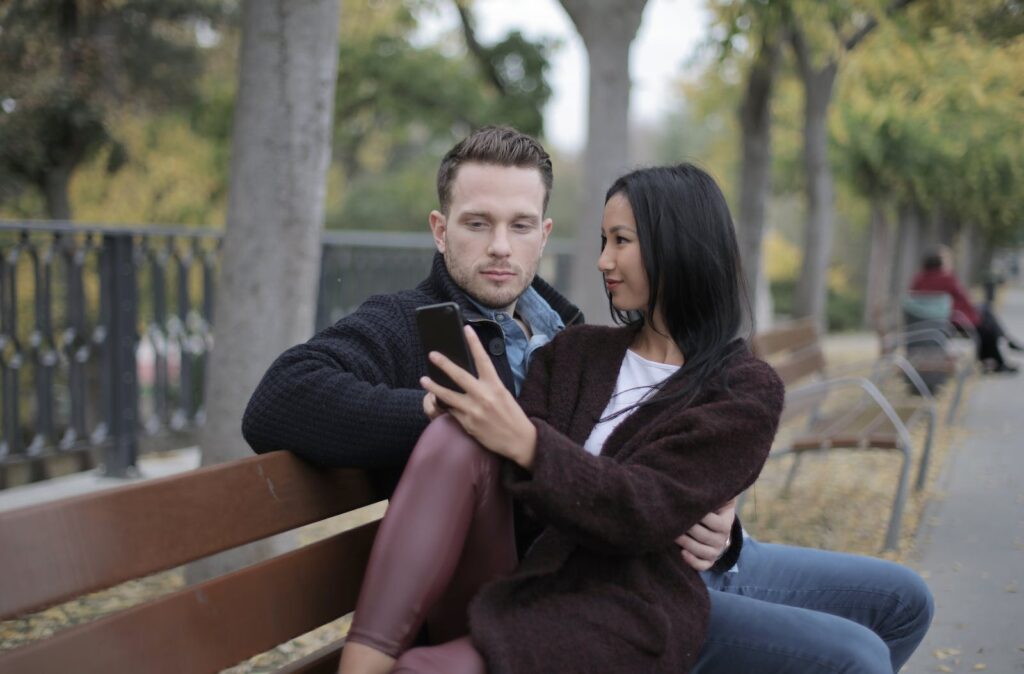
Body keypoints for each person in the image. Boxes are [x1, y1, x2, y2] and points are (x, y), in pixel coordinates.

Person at [243, 126, 933, 672]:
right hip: (560, 574)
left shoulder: (565, 326)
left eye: (520, 226)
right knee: (851, 656)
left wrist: (719, 523)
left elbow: (645, 449)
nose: (500, 248)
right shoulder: (409, 324)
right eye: (477, 223)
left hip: (660, 553)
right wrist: (447, 411)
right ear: (439, 228)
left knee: (902, 601)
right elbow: (279, 401)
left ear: (544, 234)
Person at [337, 164, 784, 673]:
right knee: (454, 435)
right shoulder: (577, 350)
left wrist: (528, 443)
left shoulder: (744, 389)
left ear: (676, 245)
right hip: (522, 576)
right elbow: (518, 496)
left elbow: (645, 508)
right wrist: (468, 421)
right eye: (602, 240)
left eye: (621, 241)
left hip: (618, 609)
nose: (602, 261)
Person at [910, 244, 1022, 374]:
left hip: (932, 321)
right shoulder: (947, 278)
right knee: (987, 322)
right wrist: (975, 315)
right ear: (941, 262)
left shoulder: (918, 279)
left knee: (986, 315)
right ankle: (1001, 350)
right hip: (952, 321)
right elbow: (964, 299)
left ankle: (1000, 349)